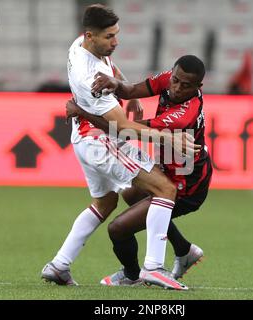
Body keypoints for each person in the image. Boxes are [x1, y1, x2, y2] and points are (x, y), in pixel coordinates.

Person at [41, 4, 199, 290]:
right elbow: (122, 127)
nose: (116, 41)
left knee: (105, 202)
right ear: (90, 35)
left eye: (117, 34)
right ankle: (152, 267)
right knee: (165, 189)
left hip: (83, 141)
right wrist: (171, 138)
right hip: (102, 142)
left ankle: (59, 265)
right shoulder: (90, 81)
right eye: (109, 37)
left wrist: (125, 87)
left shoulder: (81, 44)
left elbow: (108, 65)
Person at [66, 55, 213, 286]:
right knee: (130, 193)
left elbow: (124, 130)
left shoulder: (185, 113)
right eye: (175, 80)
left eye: (185, 86)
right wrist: (116, 84)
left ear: (198, 87)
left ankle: (132, 275)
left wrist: (82, 111)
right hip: (169, 172)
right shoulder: (168, 80)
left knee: (118, 230)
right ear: (172, 73)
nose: (176, 88)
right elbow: (131, 90)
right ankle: (184, 251)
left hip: (187, 187)